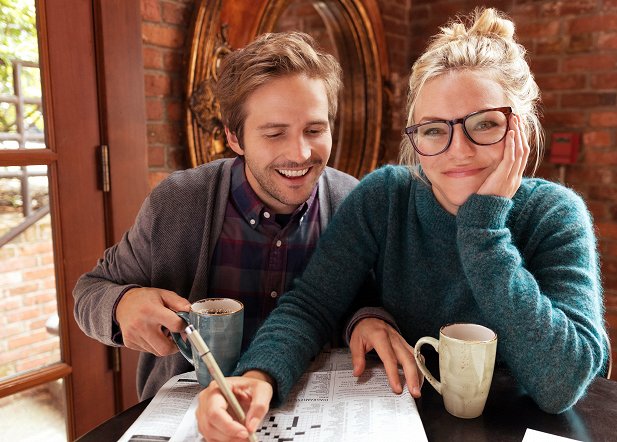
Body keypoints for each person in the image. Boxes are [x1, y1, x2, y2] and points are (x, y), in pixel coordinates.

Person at [195, 8, 611, 440]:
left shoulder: (555, 213)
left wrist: (483, 231)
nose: (458, 151)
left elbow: (563, 383)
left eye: (484, 124)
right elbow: (312, 305)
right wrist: (258, 377)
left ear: (521, 129)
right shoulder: (385, 197)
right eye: (434, 130)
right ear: (415, 138)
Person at [72, 31, 409, 401]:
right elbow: (90, 290)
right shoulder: (177, 203)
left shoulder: (352, 201)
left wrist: (369, 318)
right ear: (235, 138)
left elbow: (366, 297)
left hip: (312, 409)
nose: (300, 153)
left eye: (315, 130)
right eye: (274, 134)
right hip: (190, 411)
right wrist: (121, 304)